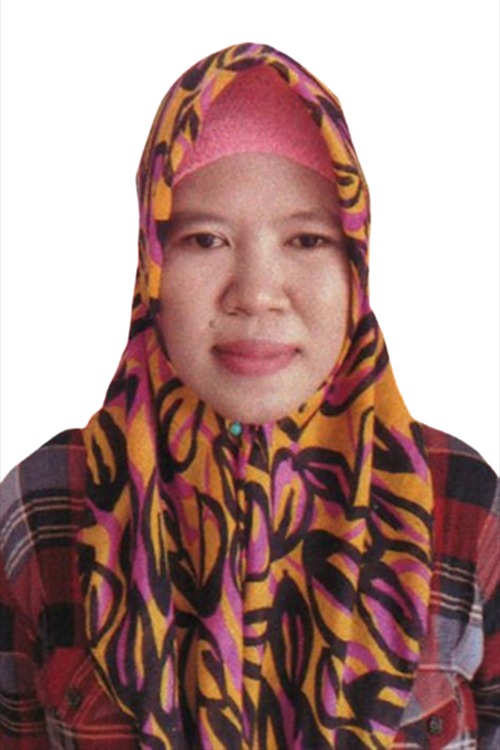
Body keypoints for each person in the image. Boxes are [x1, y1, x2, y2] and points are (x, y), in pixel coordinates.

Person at [0, 41, 498, 750]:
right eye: (205, 240)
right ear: (150, 267)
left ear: (356, 264)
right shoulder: (46, 502)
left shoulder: (461, 505)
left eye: (307, 240)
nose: (257, 292)